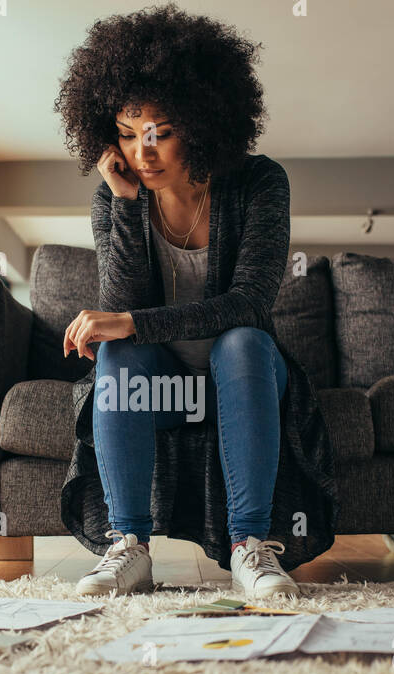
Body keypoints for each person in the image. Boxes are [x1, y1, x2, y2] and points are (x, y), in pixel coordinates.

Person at [51, 3, 339, 598]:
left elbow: (250, 303)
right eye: (127, 136)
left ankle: (249, 547)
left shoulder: (259, 182)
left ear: (203, 121)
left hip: (239, 373)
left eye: (161, 133)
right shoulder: (115, 195)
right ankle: (128, 546)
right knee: (120, 356)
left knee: (243, 342)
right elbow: (123, 303)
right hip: (162, 383)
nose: (142, 153)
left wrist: (129, 320)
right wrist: (128, 206)